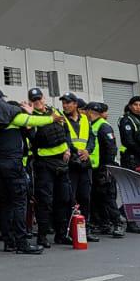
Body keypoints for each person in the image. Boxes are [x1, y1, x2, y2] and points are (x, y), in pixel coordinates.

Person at [0, 88, 57, 254]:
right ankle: (22, 242)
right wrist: (51, 118)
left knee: (5, 204)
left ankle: (9, 242)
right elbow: (33, 121)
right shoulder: (11, 117)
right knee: (19, 203)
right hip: (13, 166)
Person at [25, 88, 71, 246]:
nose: (37, 102)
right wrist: (31, 118)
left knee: (63, 199)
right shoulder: (30, 118)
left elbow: (65, 131)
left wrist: (68, 149)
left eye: (39, 98)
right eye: (34, 100)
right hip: (44, 163)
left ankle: (61, 234)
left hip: (61, 162)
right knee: (45, 201)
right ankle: (42, 236)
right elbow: (33, 139)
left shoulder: (55, 111)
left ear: (43, 98)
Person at [86, 101, 126, 239]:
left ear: (91, 112)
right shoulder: (93, 125)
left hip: (104, 167)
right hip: (95, 167)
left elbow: (111, 148)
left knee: (108, 197)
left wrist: (108, 167)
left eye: (86, 111)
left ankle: (118, 223)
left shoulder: (103, 126)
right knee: (97, 196)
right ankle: (104, 223)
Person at [60, 91, 97, 241]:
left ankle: (85, 229)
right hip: (71, 163)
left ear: (75, 104)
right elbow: (65, 138)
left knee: (85, 197)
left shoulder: (84, 120)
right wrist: (77, 151)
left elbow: (92, 139)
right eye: (63, 103)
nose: (65, 105)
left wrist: (88, 151)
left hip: (84, 163)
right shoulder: (62, 119)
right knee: (70, 198)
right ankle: (69, 231)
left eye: (68, 102)